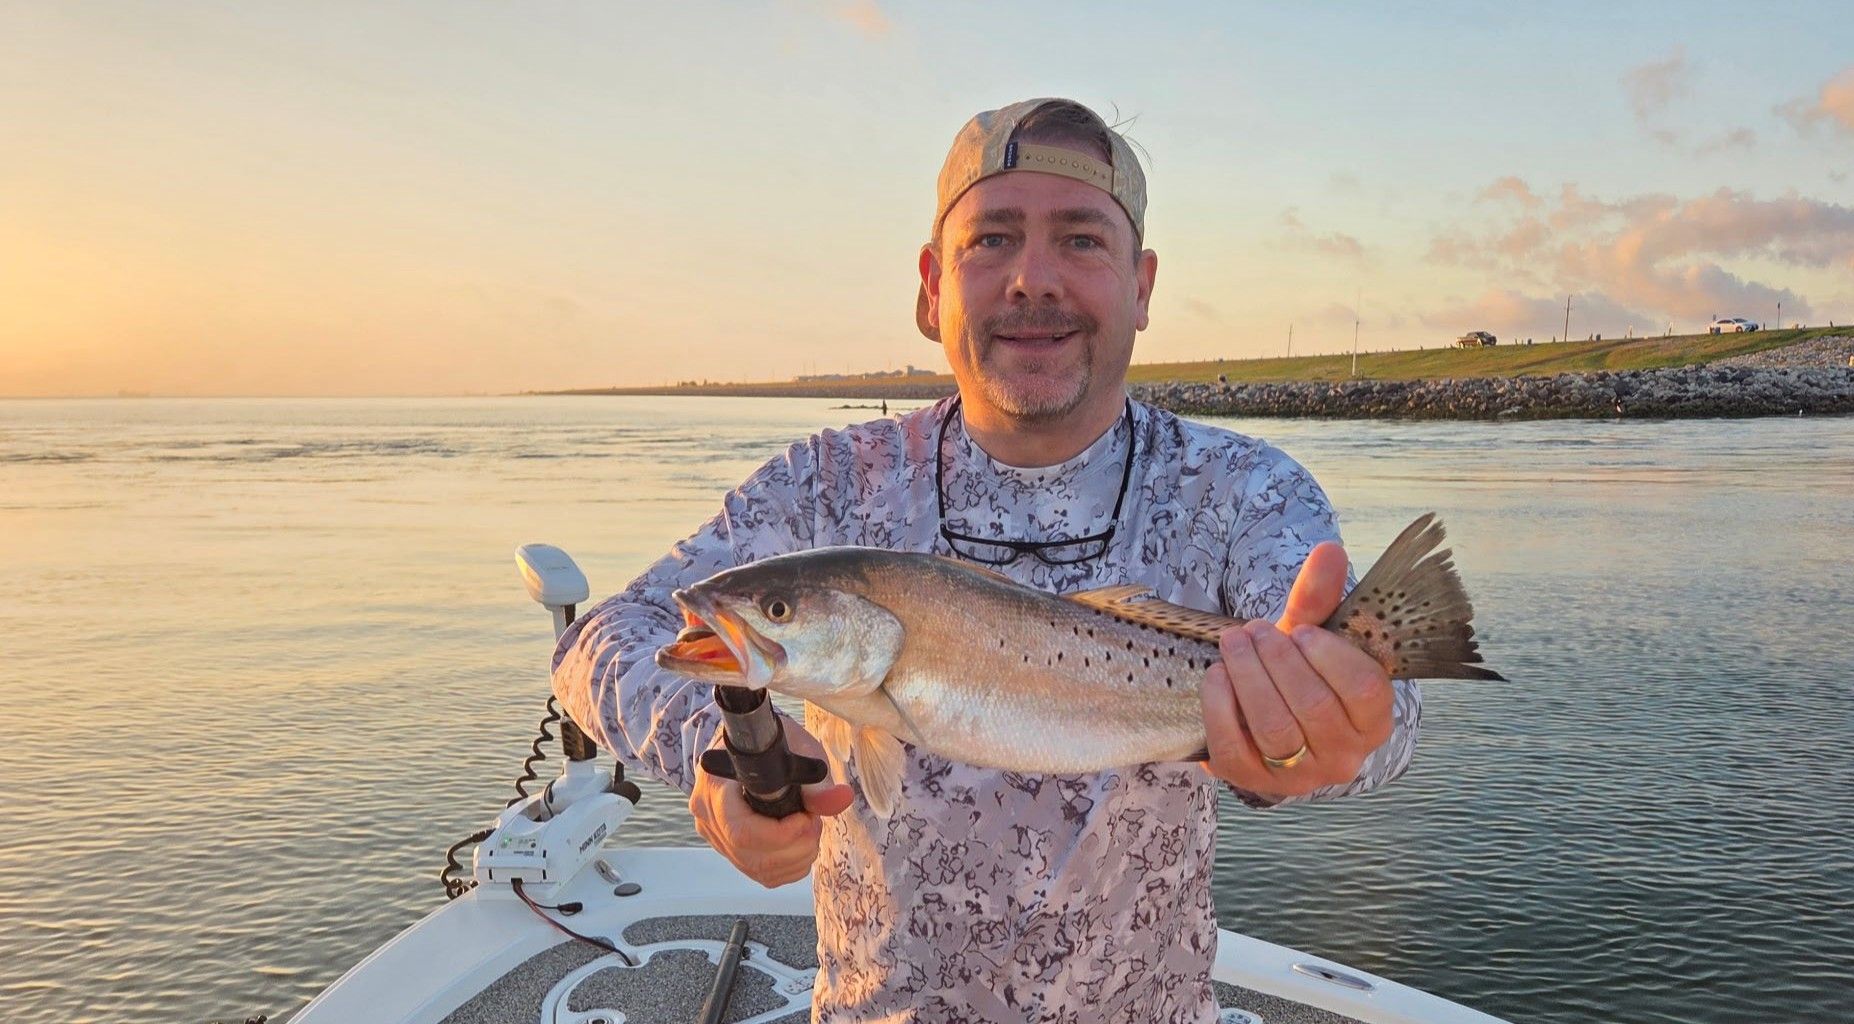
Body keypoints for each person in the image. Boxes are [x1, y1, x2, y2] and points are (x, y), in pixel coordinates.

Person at [552, 97, 1421, 1021]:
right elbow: (601, 639)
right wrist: (717, 753)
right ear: (932, 287)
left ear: (1142, 285)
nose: (1032, 280)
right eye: (991, 241)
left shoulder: (1241, 488)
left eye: (1082, 241)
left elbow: (1393, 716)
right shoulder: (826, 487)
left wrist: (1337, 727)